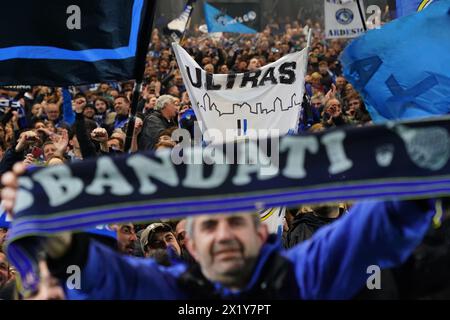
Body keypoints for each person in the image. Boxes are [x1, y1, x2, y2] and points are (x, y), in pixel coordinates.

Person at [0, 165, 435, 299]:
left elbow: (371, 228)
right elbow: (115, 279)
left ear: (262, 233)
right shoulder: (172, 291)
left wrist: (421, 161)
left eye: (236, 222)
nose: (223, 233)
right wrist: (61, 241)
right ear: (190, 241)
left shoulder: (304, 275)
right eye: (209, 224)